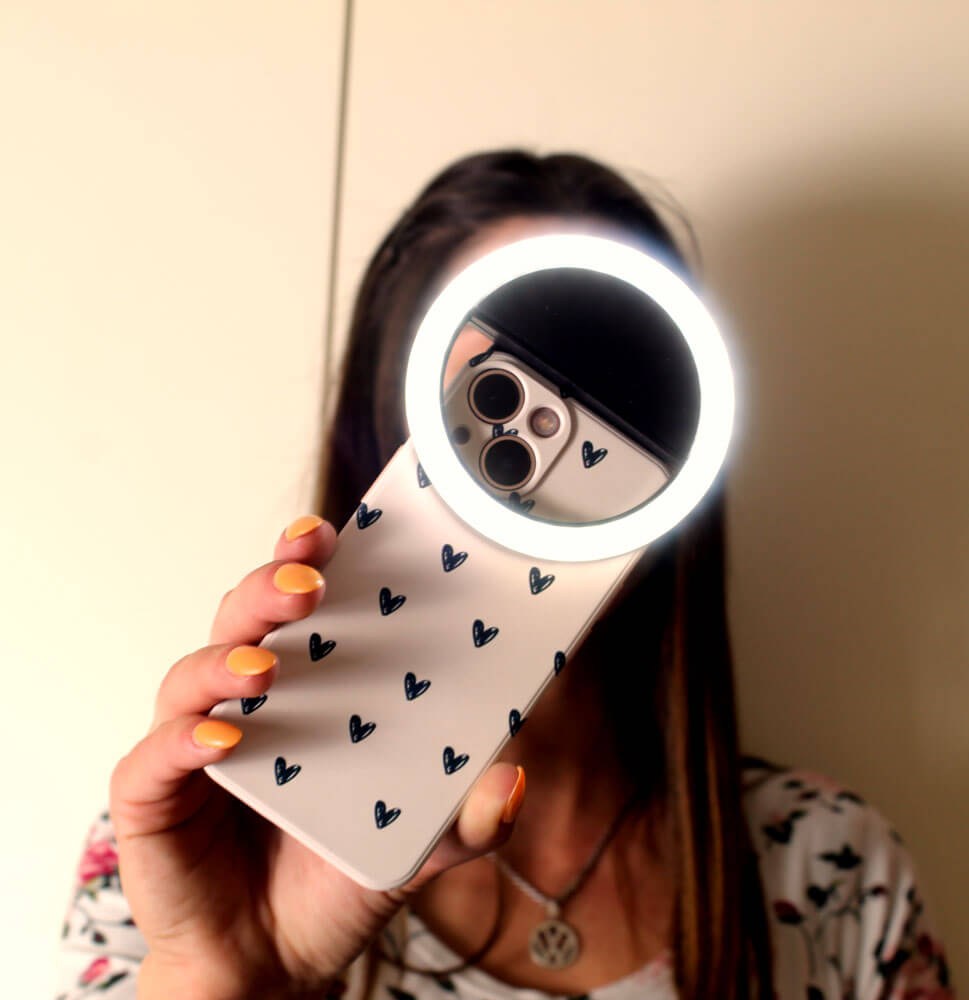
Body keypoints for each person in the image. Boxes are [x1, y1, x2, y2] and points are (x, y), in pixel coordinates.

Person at [57, 151, 953, 1000]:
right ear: (392, 424)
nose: (551, 441)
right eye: (499, 378)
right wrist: (227, 975)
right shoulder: (193, 847)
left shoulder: (830, 866)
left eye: (613, 382)